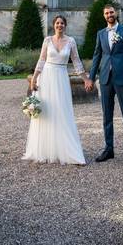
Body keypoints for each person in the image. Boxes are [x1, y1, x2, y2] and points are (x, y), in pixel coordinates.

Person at [22, 15, 90, 165]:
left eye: (62, 23)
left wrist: (86, 79)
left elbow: (77, 61)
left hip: (61, 77)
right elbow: (41, 60)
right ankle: (45, 150)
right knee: (46, 112)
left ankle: (68, 151)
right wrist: (34, 79)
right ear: (54, 25)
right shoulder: (47, 40)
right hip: (46, 78)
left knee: (62, 112)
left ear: (65, 25)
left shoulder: (71, 41)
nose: (60, 25)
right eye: (57, 23)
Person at [85, 3, 123, 166]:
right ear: (104, 16)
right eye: (107, 13)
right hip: (106, 79)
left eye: (111, 12)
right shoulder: (101, 34)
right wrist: (91, 78)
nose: (109, 14)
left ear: (116, 13)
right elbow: (96, 56)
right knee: (106, 116)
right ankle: (109, 149)